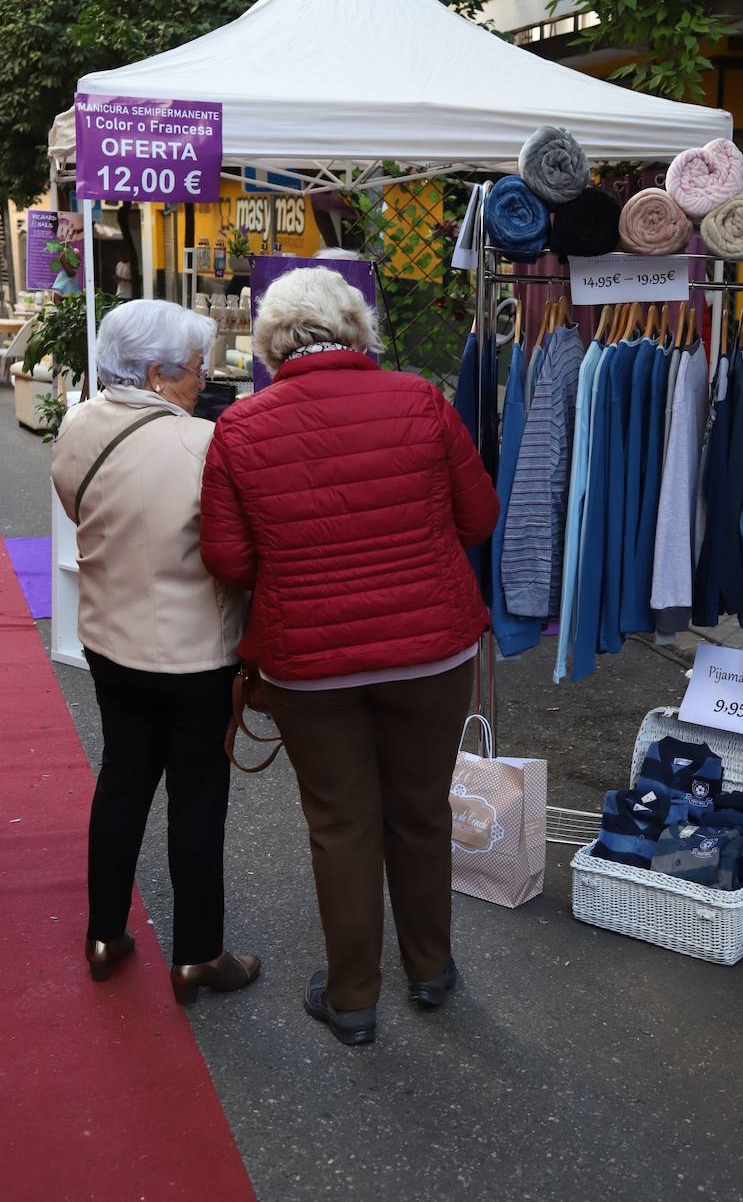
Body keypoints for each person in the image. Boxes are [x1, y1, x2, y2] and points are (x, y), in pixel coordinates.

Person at [199, 267, 499, 1047]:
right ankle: (431, 971)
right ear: (359, 329)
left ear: (268, 344)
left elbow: (229, 561)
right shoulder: (421, 401)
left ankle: (353, 998)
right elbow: (479, 516)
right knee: (421, 812)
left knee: (340, 823)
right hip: (430, 652)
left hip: (310, 662)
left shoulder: (240, 427)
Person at [50, 299, 259, 1005]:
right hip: (195, 652)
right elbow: (234, 551)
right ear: (159, 371)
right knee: (197, 797)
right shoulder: (202, 444)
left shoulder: (80, 424)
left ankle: (104, 932)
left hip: (111, 639)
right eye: (198, 367)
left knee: (122, 780)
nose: (204, 378)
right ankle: (198, 956)